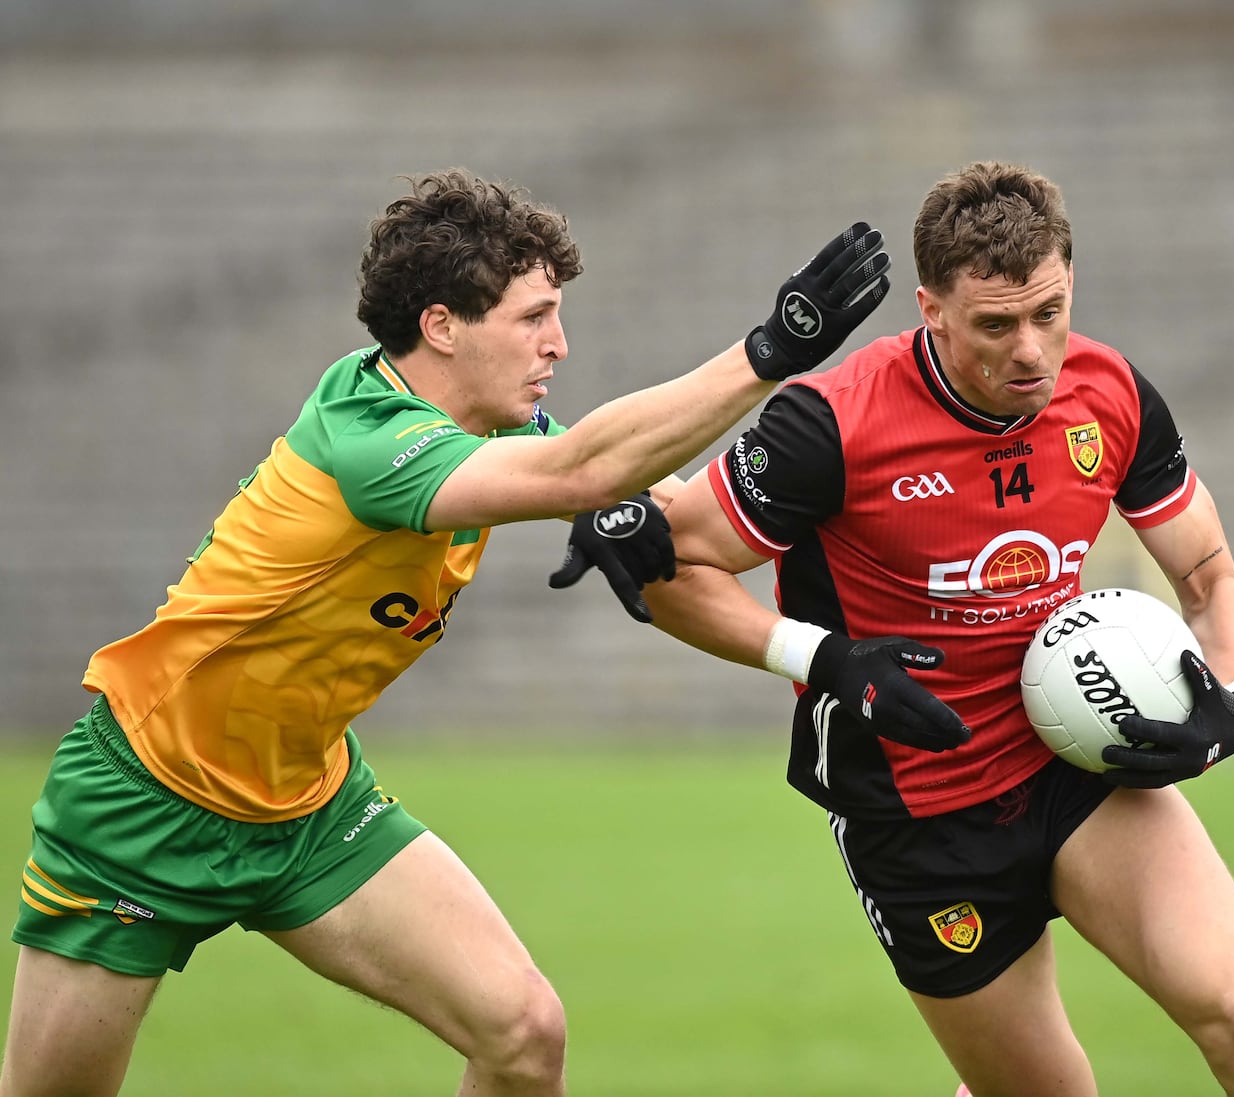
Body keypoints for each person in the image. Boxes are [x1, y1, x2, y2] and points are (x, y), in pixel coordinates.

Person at [1, 168, 892, 1097]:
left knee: (522, 1030)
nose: (559, 342)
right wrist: (765, 353)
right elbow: (582, 471)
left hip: (306, 806)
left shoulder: (491, 429)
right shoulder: (370, 438)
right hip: (145, 801)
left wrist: (827, 617)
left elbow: (675, 510)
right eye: (533, 317)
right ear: (441, 326)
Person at [622, 162, 1234, 1096]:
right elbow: (671, 568)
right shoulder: (831, 425)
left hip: (1076, 765)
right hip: (915, 814)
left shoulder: (1110, 394)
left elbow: (1209, 575)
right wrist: (820, 656)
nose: (1033, 350)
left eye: (1051, 311)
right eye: (997, 324)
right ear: (932, 311)